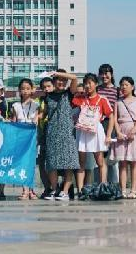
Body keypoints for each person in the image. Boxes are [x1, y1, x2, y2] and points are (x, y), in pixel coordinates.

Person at [39, 70, 80, 201]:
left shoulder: (69, 93)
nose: (61, 82)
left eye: (63, 80)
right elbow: (44, 113)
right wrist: (35, 118)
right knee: (52, 163)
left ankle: (65, 192)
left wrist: (58, 74)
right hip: (52, 132)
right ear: (54, 82)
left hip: (67, 133)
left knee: (68, 163)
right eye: (58, 80)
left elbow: (74, 78)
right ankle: (54, 189)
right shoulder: (48, 96)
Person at [73, 73, 115, 200]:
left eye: (90, 83)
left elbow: (111, 116)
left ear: (96, 84)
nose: (87, 85)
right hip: (82, 131)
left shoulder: (102, 99)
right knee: (81, 162)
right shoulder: (80, 98)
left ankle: (103, 187)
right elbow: (73, 94)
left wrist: (108, 134)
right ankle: (80, 190)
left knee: (100, 161)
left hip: (96, 131)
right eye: (85, 83)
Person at [111, 76, 136, 199]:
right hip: (121, 131)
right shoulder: (118, 102)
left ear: (132, 87)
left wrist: (134, 131)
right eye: (122, 85)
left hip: (133, 131)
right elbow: (115, 118)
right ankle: (122, 190)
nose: (123, 87)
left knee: (134, 162)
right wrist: (118, 132)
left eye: (126, 85)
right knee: (122, 163)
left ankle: (133, 190)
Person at [10, 78, 42, 200]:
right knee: (23, 163)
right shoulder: (15, 105)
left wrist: (37, 118)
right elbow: (14, 122)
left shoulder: (36, 105)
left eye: (28, 88)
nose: (25, 91)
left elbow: (39, 117)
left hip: (32, 138)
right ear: (19, 90)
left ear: (32, 90)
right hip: (20, 138)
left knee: (32, 164)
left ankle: (32, 190)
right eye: (23, 88)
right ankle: (25, 190)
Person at [97, 63, 120, 184]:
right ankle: (101, 184)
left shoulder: (117, 91)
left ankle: (114, 185)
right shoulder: (97, 89)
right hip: (98, 124)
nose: (104, 76)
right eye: (102, 73)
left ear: (112, 74)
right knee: (99, 155)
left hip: (112, 124)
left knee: (112, 156)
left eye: (106, 73)